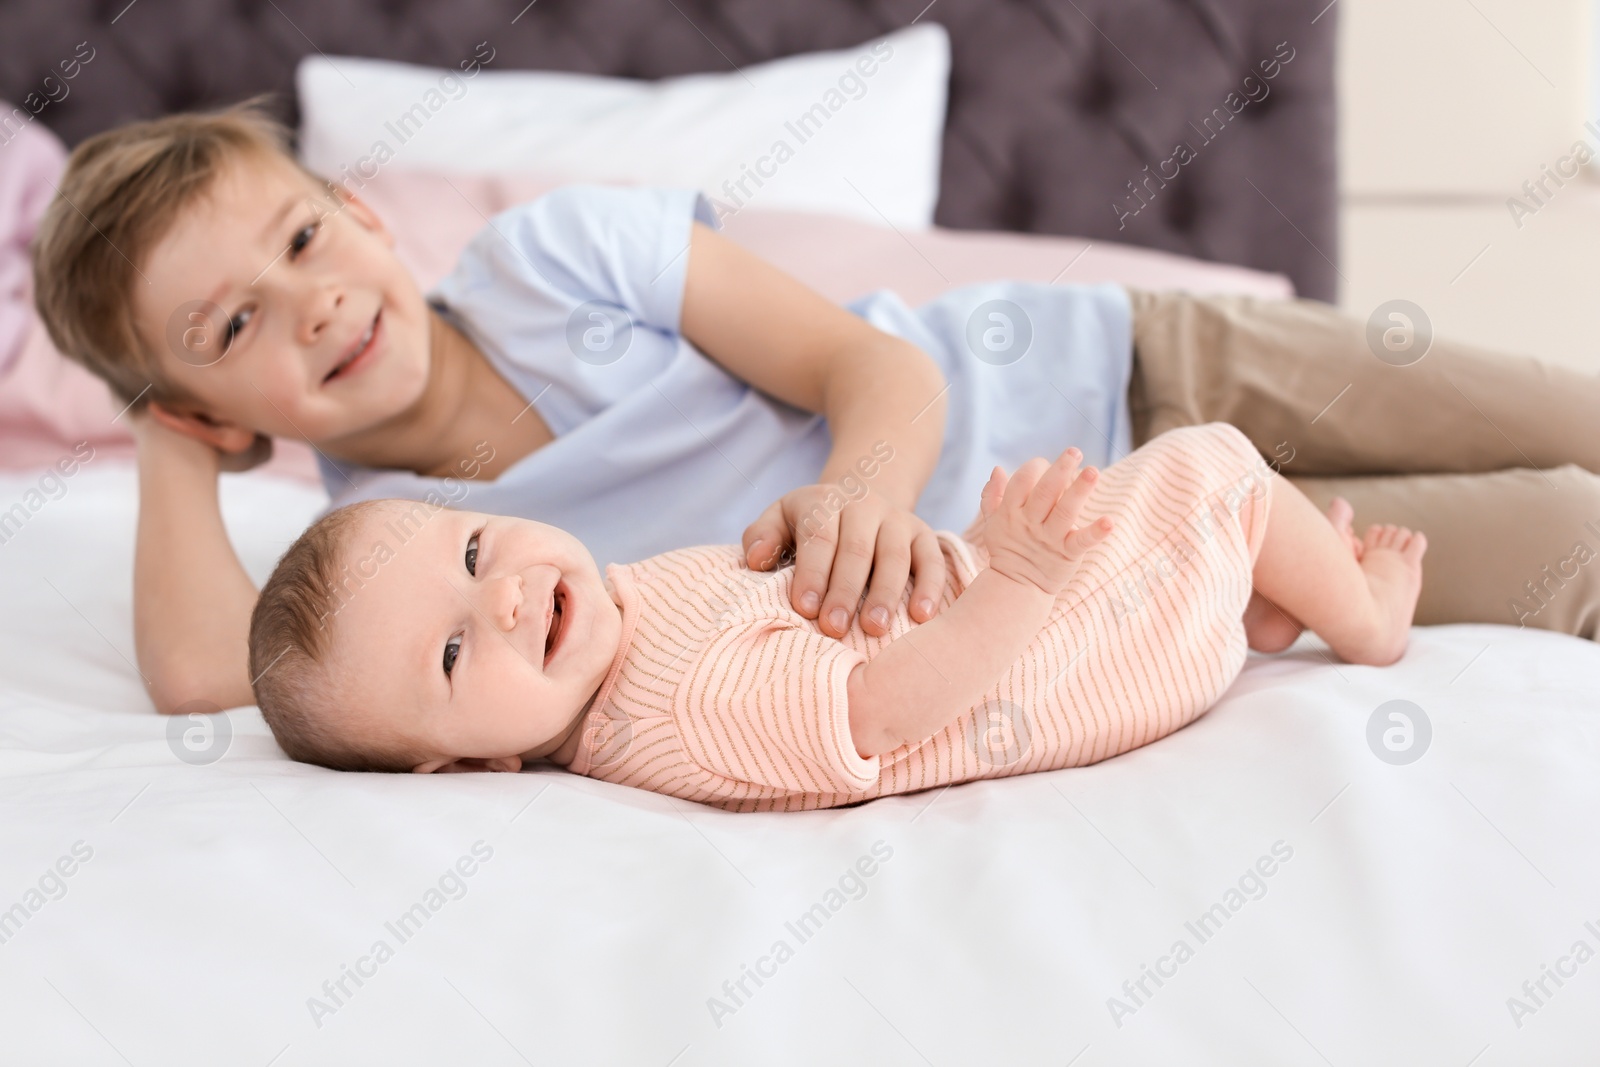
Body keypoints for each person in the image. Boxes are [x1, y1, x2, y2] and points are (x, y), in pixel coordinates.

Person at [30, 104, 1600, 719]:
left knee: (1565, 410)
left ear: (363, 217)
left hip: (1131, 362)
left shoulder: (550, 256)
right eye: (231, 324)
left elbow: (882, 372)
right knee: (1571, 539)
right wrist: (171, 445)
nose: (308, 302)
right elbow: (196, 675)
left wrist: (864, 489)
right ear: (205, 403)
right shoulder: (392, 556)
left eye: (303, 237)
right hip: (1133, 546)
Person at [245, 423, 1427, 811]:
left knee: (1194, 511)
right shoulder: (677, 697)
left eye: (471, 547)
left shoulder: (612, 621)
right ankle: (1365, 618)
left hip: (1005, 609)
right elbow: (878, 707)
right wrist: (1015, 577)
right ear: (467, 759)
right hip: (1071, 650)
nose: (499, 594)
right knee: (1208, 464)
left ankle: (1256, 609)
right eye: (453, 649)